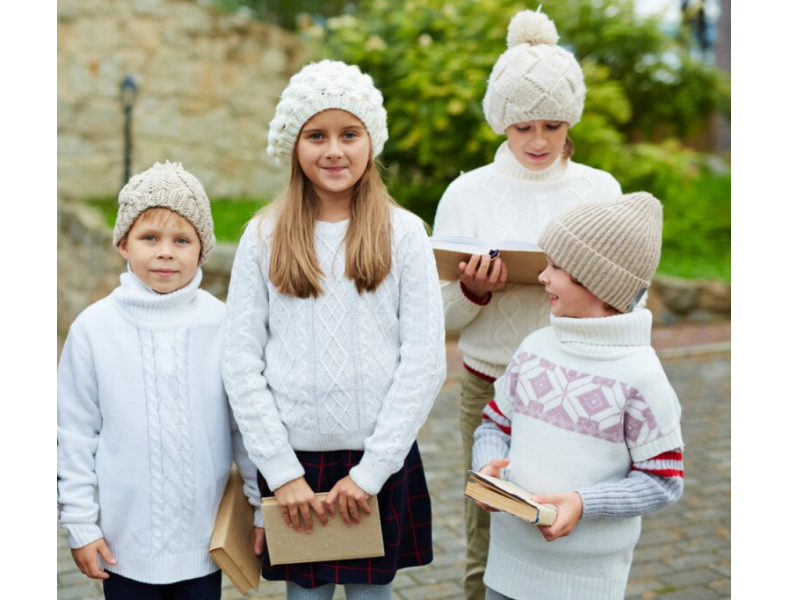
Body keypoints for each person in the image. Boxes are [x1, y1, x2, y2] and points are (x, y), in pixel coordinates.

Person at [222, 60, 446, 600]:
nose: (333, 150)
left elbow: (424, 363)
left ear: (372, 141)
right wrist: (280, 471)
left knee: (373, 596)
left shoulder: (405, 234)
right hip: (295, 464)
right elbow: (239, 361)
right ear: (293, 146)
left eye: (350, 134)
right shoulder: (264, 236)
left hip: (379, 461)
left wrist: (372, 473)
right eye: (315, 135)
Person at [431, 9, 624, 598]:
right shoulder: (466, 194)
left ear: (571, 121)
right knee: (487, 540)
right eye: (522, 127)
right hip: (491, 386)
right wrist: (474, 289)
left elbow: (626, 299)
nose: (538, 141)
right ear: (501, 123)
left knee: (574, 532)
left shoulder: (600, 190)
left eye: (552, 124)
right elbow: (438, 318)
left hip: (581, 388)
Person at [57, 161, 262, 600]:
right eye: (149, 237)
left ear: (202, 250)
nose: (165, 252)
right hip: (122, 548)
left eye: (182, 240)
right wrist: (79, 524)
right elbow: (73, 435)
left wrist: (260, 505)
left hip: (205, 547)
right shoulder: (93, 329)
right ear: (123, 243)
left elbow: (246, 426)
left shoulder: (223, 324)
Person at [472, 192, 685, 600]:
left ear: (598, 281)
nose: (542, 276)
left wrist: (583, 503)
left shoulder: (641, 376)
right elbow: (494, 425)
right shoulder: (534, 347)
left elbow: (663, 480)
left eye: (557, 267)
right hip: (507, 563)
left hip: (586, 581)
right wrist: (487, 471)